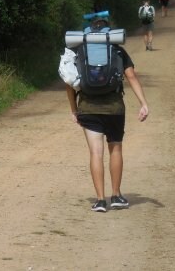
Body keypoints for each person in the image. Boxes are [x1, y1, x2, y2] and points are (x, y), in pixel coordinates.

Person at [65, 16, 150, 213]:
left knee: (96, 153)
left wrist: (73, 109)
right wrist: (143, 103)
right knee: (116, 150)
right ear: (108, 33)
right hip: (114, 108)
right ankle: (117, 195)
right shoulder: (117, 49)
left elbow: (69, 82)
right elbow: (131, 76)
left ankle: (100, 200)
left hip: (87, 106)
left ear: (88, 31)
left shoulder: (79, 50)